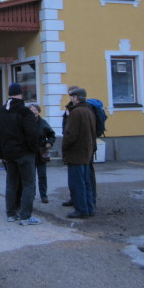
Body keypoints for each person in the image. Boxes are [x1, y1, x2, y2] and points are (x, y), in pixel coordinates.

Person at [0, 83, 41, 225]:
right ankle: (25, 216)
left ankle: (11, 213)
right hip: (24, 154)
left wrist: (1, 152)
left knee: (11, 183)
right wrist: (33, 150)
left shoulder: (1, 111)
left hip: (8, 154)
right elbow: (32, 134)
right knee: (28, 184)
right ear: (21, 94)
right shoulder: (25, 112)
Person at [62, 87, 97, 219]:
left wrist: (64, 148)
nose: (71, 98)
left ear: (76, 98)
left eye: (72, 96)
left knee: (77, 183)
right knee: (86, 182)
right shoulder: (89, 111)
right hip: (86, 152)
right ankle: (90, 208)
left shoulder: (76, 113)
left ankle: (81, 209)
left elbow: (70, 134)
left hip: (76, 154)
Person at [29, 104, 56, 203]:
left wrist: (49, 142)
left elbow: (51, 135)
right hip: (30, 151)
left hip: (41, 151)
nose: (33, 111)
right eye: (31, 110)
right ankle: (31, 194)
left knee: (42, 175)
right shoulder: (26, 122)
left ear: (38, 111)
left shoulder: (43, 122)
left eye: (35, 109)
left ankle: (43, 195)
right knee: (30, 175)